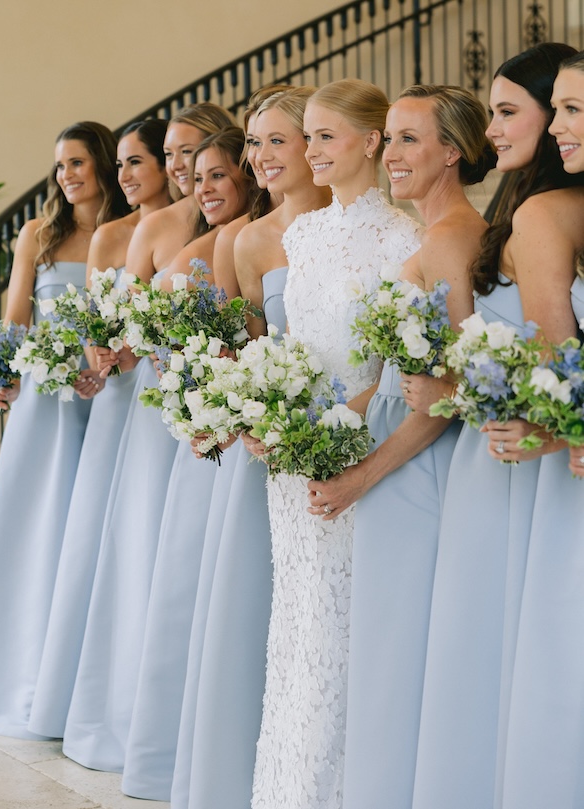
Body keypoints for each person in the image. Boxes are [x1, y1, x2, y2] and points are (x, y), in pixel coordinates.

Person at [408, 43, 584, 809]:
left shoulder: (543, 214)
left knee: (508, 652)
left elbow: (557, 363)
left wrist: (547, 426)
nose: (493, 128)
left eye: (509, 111)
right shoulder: (534, 209)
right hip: (523, 454)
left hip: (530, 461)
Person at [307, 85, 492, 809]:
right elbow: (396, 381)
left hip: (411, 469)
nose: (390, 153)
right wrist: (319, 430)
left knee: (395, 643)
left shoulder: (451, 238)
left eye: (409, 139)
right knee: (382, 642)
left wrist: (362, 477)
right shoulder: (427, 234)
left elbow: (446, 397)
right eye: (388, 138)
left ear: (453, 150)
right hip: (386, 444)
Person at [249, 78, 421, 809]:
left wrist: (326, 431)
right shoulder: (301, 235)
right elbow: (290, 350)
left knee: (348, 630)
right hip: (291, 460)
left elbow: (395, 372)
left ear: (371, 141)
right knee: (296, 625)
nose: (312, 150)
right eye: (308, 136)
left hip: (360, 454)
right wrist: (267, 414)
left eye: (326, 135)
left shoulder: (403, 238)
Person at [60, 103, 236, 774]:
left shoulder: (239, 230)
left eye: (193, 152)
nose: (185, 165)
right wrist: (109, 353)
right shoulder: (158, 227)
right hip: (158, 411)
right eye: (177, 153)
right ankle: (138, 713)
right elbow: (121, 330)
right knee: (147, 556)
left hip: (217, 407)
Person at [173, 86, 332, 809]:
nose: (262, 158)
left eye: (278, 141)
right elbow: (249, 348)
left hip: (352, 428)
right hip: (274, 446)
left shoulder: (358, 222)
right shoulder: (248, 240)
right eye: (256, 144)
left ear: (316, 144)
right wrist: (227, 408)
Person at [0, 121, 128, 738]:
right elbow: (16, 316)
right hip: (47, 404)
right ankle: (22, 672)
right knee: (41, 526)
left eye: (78, 162)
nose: (66, 175)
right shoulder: (39, 235)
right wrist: (1, 375)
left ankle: (78, 678)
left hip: (108, 398)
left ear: (102, 164)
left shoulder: (127, 233)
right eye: (60, 166)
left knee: (92, 532)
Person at [120, 126, 257, 801]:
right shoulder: (203, 246)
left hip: (236, 436)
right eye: (193, 175)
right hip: (205, 436)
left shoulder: (235, 245)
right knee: (189, 588)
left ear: (247, 176)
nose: (199, 187)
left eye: (216, 176)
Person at [27, 119, 171, 738]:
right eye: (128, 163)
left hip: (167, 401)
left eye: (144, 161)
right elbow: (99, 329)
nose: (129, 175)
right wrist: (99, 359)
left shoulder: (200, 229)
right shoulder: (109, 236)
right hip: (115, 399)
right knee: (99, 537)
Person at [482, 50, 584, 809]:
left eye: (576, 112)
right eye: (567, 109)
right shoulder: (543, 212)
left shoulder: (548, 212)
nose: (565, 128)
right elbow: (560, 364)